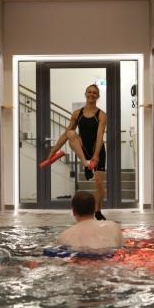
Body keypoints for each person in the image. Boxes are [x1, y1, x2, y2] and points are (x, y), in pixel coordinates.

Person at [47, 84, 107, 220]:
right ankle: (85, 163)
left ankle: (97, 211)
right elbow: (65, 134)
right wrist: (54, 149)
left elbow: (99, 137)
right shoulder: (77, 114)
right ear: (85, 94)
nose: (92, 94)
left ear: (98, 96)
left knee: (98, 183)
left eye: (95, 93)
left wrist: (96, 156)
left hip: (97, 150)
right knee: (71, 133)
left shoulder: (101, 115)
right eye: (89, 92)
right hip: (83, 149)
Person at [58, 191, 123, 251]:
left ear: (74, 212)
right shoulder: (113, 227)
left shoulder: (64, 236)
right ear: (95, 209)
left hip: (80, 259)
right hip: (109, 258)